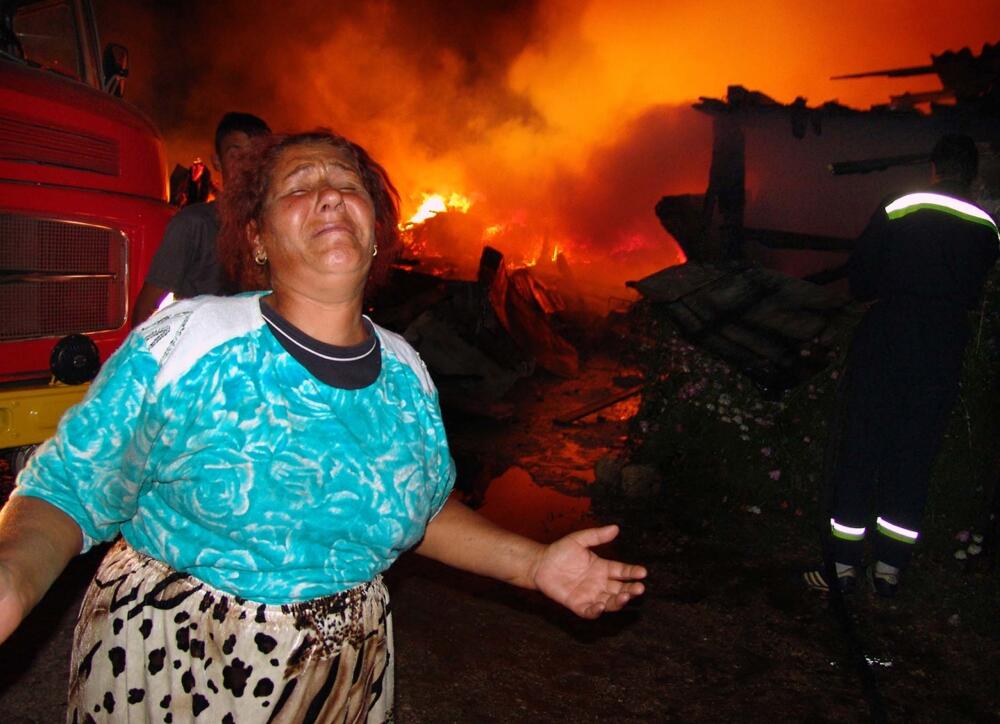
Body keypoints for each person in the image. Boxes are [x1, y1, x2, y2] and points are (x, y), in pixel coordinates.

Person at [0, 130, 647, 722]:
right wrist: (12, 579)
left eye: (346, 184)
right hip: (178, 669)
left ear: (377, 233)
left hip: (340, 682)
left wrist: (535, 565)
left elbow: (420, 509)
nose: (329, 196)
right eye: (298, 187)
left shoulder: (405, 373)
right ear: (256, 238)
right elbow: (66, 490)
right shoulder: (189, 342)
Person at [805, 134, 999, 597]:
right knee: (915, 453)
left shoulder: (900, 205)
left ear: (934, 167)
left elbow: (862, 278)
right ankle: (889, 569)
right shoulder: (987, 226)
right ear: (972, 174)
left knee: (861, 446)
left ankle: (842, 566)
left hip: (889, 335)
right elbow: (976, 289)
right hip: (944, 344)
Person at [131, 111, 271, 326]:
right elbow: (147, 308)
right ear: (217, 161)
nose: (246, 165)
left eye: (256, 156)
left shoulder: (280, 225)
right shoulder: (193, 224)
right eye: (236, 155)